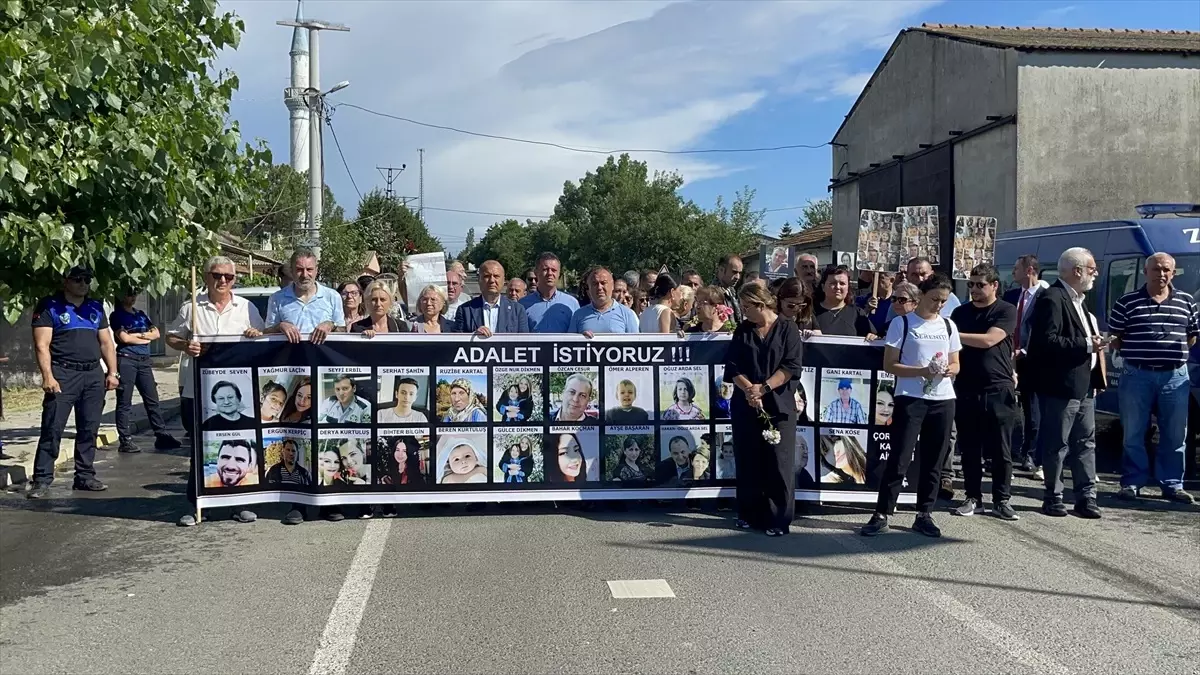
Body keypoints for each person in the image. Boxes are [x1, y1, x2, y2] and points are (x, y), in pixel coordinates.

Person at [165, 256, 264, 525]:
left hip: (237, 392)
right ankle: (198, 504)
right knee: (202, 448)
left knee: (241, 445)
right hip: (199, 392)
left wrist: (257, 335)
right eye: (217, 275)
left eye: (228, 277)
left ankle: (239, 502)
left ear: (234, 279)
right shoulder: (192, 309)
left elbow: (265, 339)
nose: (222, 281)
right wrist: (185, 345)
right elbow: (171, 337)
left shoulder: (246, 308)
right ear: (207, 276)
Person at [860, 273, 961, 538]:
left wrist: (947, 370)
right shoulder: (903, 324)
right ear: (921, 297)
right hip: (911, 398)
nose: (939, 305)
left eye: (943, 301)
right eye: (935, 299)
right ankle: (882, 512)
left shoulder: (949, 326)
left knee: (934, 460)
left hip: (942, 399)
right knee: (900, 457)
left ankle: (924, 513)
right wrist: (922, 371)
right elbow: (889, 364)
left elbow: (956, 363)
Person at [26, 266, 120, 499]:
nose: (83, 283)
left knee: (89, 428)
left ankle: (85, 476)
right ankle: (42, 479)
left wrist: (113, 373)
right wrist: (48, 376)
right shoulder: (49, 306)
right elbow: (41, 345)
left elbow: (107, 343)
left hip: (92, 374)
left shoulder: (95, 307)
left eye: (87, 279)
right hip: (63, 373)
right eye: (77, 279)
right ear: (65, 281)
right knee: (53, 427)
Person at [1110, 253, 1197, 504]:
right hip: (1137, 374)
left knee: (1175, 433)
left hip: (1174, 376)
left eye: (1166, 270)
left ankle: (1172, 484)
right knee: (1134, 433)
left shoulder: (1186, 301)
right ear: (1145, 272)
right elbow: (1115, 336)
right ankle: (1132, 482)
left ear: (1173, 272)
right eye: (1156, 269)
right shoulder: (1127, 302)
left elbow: (1191, 336)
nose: (1162, 274)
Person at [1027, 247, 1106, 519]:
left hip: (1085, 386)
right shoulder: (1053, 298)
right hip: (1061, 386)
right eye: (1092, 268)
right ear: (1077, 271)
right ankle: (1053, 495)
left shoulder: (1079, 299)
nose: (1095, 273)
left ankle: (1086, 497)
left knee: (1086, 442)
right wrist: (1086, 344)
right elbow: (1045, 341)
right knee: (1057, 443)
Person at [723, 282, 802, 537]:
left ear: (761, 304)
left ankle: (778, 519)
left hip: (779, 406)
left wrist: (764, 388)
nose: (744, 312)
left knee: (779, 463)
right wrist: (749, 390)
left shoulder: (788, 328)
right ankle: (748, 513)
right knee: (748, 460)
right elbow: (733, 366)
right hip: (746, 405)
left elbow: (790, 367)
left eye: (747, 307)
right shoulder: (743, 330)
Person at [949, 264, 1019, 521]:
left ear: (994, 286)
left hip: (998, 388)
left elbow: (990, 340)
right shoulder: (960, 312)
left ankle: (1002, 499)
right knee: (969, 448)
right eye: (971, 284)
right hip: (967, 386)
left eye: (981, 284)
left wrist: (953, 333)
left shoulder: (1005, 310)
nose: (975, 289)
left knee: (1001, 449)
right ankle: (973, 497)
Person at [109, 288, 181, 453]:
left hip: (144, 361)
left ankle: (161, 435)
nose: (132, 296)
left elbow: (156, 334)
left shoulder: (140, 314)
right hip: (127, 359)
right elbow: (124, 338)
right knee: (125, 401)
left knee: (152, 400)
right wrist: (144, 337)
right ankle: (125, 439)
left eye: (135, 293)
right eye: (129, 293)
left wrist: (138, 336)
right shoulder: (117, 315)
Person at [1003, 254, 1048, 477]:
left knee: (1033, 411)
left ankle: (1030, 454)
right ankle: (1003, 453)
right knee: (1006, 407)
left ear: (1029, 270)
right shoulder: (1011, 296)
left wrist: (1026, 350)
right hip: (1008, 359)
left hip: (1032, 362)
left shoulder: (1045, 297)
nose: (1013, 273)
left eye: (1016, 269)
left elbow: (1045, 329)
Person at [265, 249, 344, 344]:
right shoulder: (277, 298)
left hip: (323, 358)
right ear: (291, 271)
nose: (305, 275)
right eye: (299, 270)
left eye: (309, 269)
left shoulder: (332, 296)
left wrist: (331, 325)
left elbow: (343, 331)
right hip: (289, 357)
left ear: (316, 270)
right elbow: (266, 333)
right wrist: (280, 326)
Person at [454, 260, 531, 336]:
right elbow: (456, 343)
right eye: (487, 276)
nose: (492, 280)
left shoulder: (517, 310)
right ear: (479, 280)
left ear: (504, 280)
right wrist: (473, 337)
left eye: (496, 276)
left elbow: (523, 343)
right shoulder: (465, 310)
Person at [569, 268, 640, 336]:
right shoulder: (578, 315)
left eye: (603, 283)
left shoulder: (627, 314)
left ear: (612, 286)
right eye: (595, 283)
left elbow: (636, 344)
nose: (599, 287)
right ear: (589, 288)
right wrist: (580, 339)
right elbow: (568, 345)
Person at [520, 252, 580, 333]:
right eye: (545, 269)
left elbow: (579, 331)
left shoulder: (572, 303)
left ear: (559, 274)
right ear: (536, 272)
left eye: (554, 270)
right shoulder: (522, 305)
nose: (550, 273)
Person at [814, 266, 876, 338]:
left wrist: (873, 337)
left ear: (848, 288)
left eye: (842, 283)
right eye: (833, 283)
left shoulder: (857, 314)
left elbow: (873, 339)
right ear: (823, 287)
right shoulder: (810, 313)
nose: (838, 287)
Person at [713, 254, 744, 324]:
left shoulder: (732, 291)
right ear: (721, 270)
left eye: (740, 273)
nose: (737, 277)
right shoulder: (711, 294)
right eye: (734, 272)